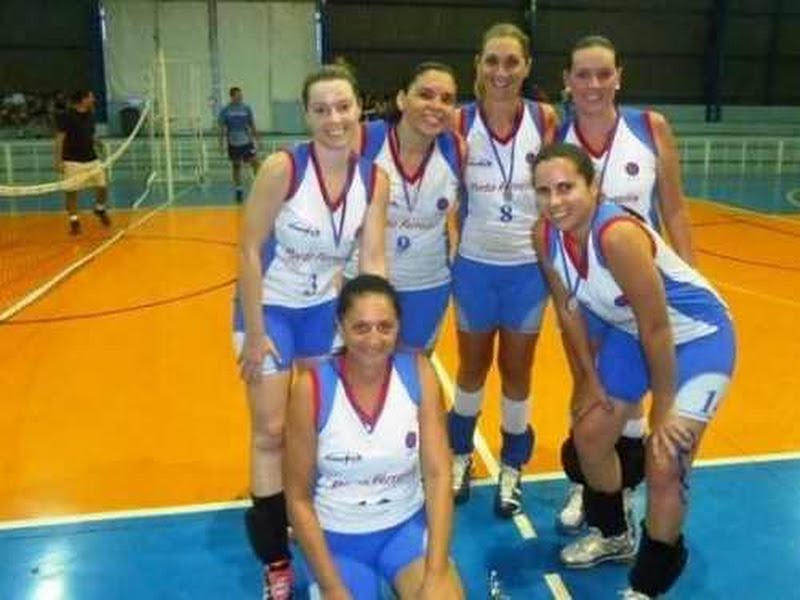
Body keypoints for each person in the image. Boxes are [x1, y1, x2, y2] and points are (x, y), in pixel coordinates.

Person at [531, 143, 735, 597]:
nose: (555, 201)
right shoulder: (544, 235)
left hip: (697, 337)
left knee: (665, 459)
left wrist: (662, 409)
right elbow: (568, 311)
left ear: (594, 187)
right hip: (631, 333)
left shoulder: (616, 236)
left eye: (566, 187)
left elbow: (657, 328)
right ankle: (614, 535)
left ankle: (647, 585)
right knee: (589, 435)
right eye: (544, 191)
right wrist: (589, 380)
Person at [235, 64, 389, 599]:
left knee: (320, 427)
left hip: (323, 310)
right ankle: (276, 560)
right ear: (306, 115)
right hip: (271, 309)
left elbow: (372, 258)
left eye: (343, 107)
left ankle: (317, 531)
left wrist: (376, 328)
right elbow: (248, 248)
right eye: (321, 109)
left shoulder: (374, 179)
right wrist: (256, 332)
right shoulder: (283, 168)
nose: (334, 118)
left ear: (359, 108)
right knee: (270, 430)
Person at [554, 35, 697, 533]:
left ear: (619, 76)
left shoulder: (649, 127)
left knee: (633, 392)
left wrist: (690, 275)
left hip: (641, 287)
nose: (593, 84)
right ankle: (587, 480)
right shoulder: (557, 135)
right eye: (582, 75)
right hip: (585, 287)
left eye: (603, 74)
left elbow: (673, 208)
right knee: (587, 386)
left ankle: (627, 482)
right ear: (567, 81)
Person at [284, 274, 464, 599]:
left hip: (404, 531)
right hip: (336, 540)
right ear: (341, 327)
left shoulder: (419, 374)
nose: (374, 339)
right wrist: (332, 587)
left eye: (385, 327)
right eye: (361, 327)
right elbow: (297, 497)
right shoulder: (311, 389)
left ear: (398, 327)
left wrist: (436, 572)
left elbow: (438, 475)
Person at [448, 22, 558, 517]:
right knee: (471, 369)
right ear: (478, 64)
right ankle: (459, 454)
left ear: (527, 66)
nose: (501, 71)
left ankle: (513, 464)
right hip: (475, 267)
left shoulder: (545, 119)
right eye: (492, 61)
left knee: (517, 370)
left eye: (512, 62)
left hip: (526, 271)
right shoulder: (457, 122)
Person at [353, 61, 464, 352]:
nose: (436, 105)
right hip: (361, 282)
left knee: (411, 371)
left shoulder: (457, 149)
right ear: (402, 99)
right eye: (425, 94)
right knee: (360, 369)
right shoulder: (363, 139)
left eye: (446, 99)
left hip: (427, 286)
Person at [54, 89, 111, 235]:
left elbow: (89, 134)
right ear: (83, 99)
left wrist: (97, 142)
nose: (93, 100)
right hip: (72, 161)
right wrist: (58, 160)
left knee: (103, 186)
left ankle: (99, 209)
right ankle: (74, 221)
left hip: (92, 159)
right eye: (91, 97)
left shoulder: (90, 115)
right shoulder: (66, 116)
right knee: (71, 192)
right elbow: (60, 139)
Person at [219, 86, 260, 203]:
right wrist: (220, 143)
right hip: (233, 143)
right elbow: (222, 129)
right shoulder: (225, 110)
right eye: (238, 95)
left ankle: (259, 186)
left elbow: (252, 124)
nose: (240, 97)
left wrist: (257, 138)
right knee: (236, 166)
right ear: (232, 96)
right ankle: (239, 190)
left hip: (246, 142)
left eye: (241, 95)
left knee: (256, 162)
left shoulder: (246, 108)